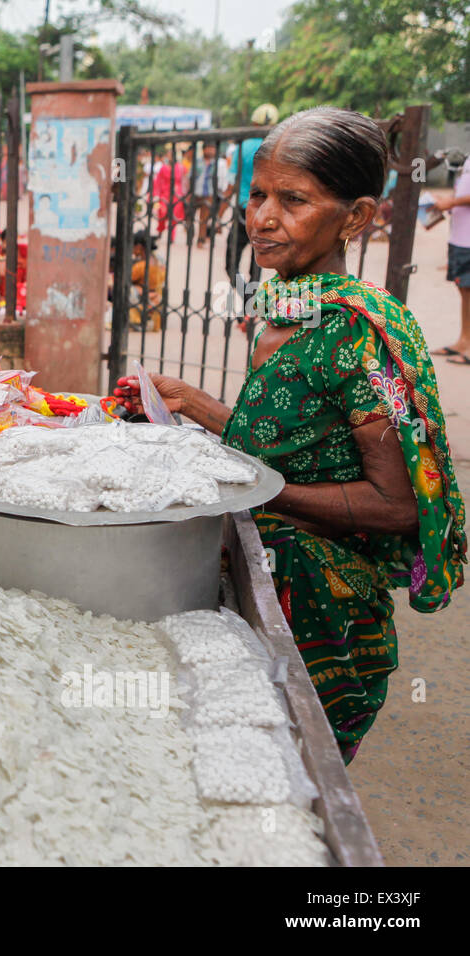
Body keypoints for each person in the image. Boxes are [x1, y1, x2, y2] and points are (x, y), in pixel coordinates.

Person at [114, 106, 466, 763]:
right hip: (264, 575)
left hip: (323, 610)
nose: (263, 218)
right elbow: (277, 437)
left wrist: (264, 492)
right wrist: (188, 400)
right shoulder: (284, 306)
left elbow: (396, 504)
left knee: (294, 770)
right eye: (257, 195)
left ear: (356, 217)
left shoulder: (359, 335)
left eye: (293, 200)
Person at [226, 102, 279, 286]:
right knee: (257, 262)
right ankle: (250, 305)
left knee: (231, 262)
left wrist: (220, 211)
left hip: (243, 209)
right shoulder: (275, 148)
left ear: (254, 123)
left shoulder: (243, 147)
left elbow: (231, 181)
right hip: (265, 212)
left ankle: (245, 297)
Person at [433, 156, 470, 363]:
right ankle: (464, 341)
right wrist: (446, 203)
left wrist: (453, 201)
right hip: (461, 237)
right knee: (464, 290)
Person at [128, 231, 165, 331]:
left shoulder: (141, 266)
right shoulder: (158, 260)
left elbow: (127, 279)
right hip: (156, 299)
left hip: (147, 301)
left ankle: (136, 321)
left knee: (126, 289)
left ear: (139, 247)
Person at [189, 142, 220, 248]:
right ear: (204, 150)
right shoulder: (197, 162)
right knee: (190, 216)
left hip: (209, 194)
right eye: (209, 148)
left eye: (213, 149)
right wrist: (189, 192)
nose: (211, 151)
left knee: (204, 219)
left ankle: (201, 240)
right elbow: (190, 177)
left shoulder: (216, 164)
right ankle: (190, 235)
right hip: (196, 193)